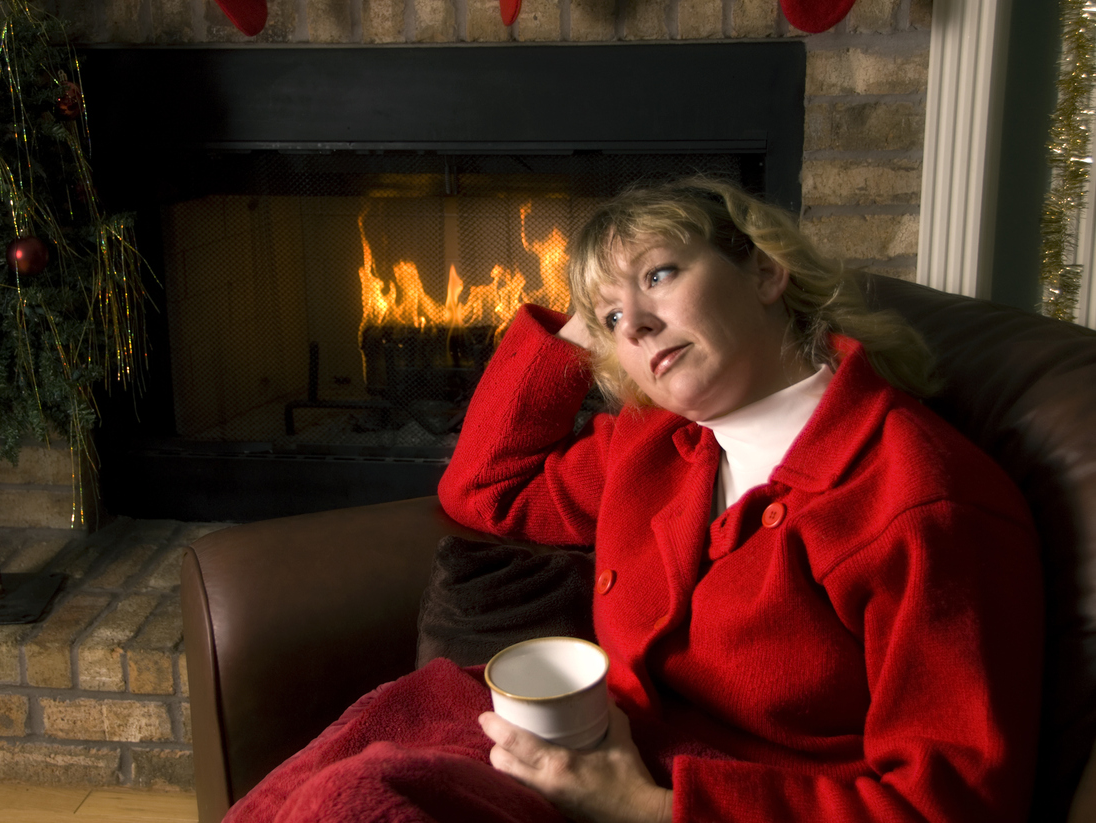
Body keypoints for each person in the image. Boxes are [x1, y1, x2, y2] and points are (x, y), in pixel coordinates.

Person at [227, 180, 1044, 823]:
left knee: (355, 804)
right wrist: (586, 325)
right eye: (614, 316)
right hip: (573, 749)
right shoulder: (657, 445)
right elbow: (484, 489)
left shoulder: (922, 502)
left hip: (702, 801)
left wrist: (650, 809)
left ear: (764, 269)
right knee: (336, 776)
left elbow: (948, 805)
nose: (639, 325)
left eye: (661, 274)